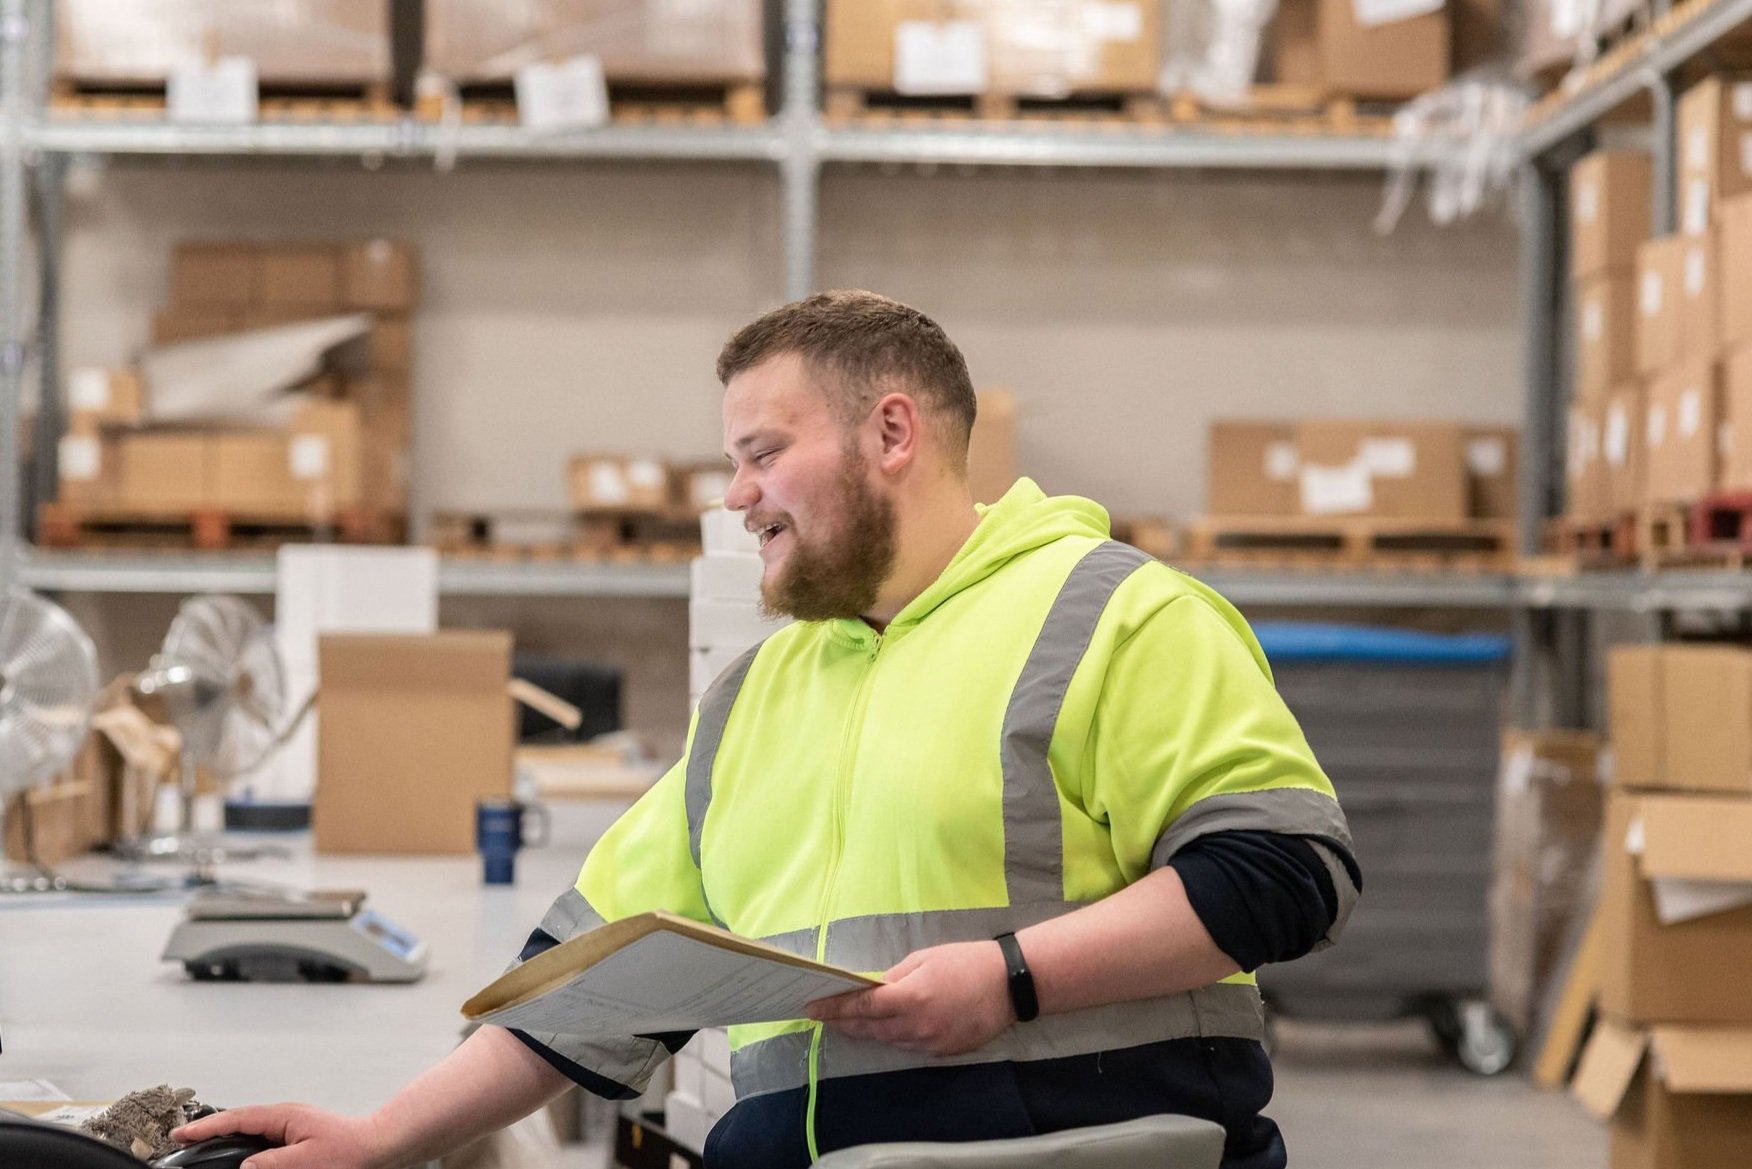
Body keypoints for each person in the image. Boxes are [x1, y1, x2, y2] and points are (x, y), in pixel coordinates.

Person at [176, 291, 1359, 1169]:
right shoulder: (761, 690)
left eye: (763, 453)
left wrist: (1012, 978)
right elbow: (596, 985)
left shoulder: (1115, 615)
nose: (736, 494)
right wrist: (376, 1137)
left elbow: (1285, 871)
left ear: (891, 433)